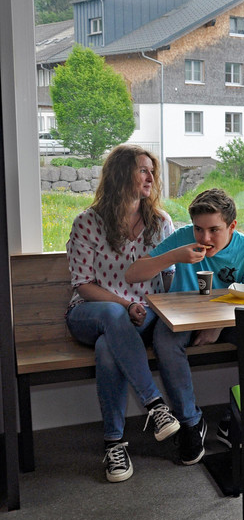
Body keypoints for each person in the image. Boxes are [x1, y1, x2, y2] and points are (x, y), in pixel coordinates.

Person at [126, 188, 244, 465]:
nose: (205, 238)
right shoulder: (182, 239)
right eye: (198, 229)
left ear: (232, 226)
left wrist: (218, 325)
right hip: (182, 316)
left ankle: (241, 416)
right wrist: (173, 257)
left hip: (229, 317)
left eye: (214, 230)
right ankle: (190, 422)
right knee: (164, 341)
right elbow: (133, 274)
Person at [65, 145, 178, 483]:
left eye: (152, 171)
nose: (150, 177)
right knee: (113, 318)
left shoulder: (160, 222)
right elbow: (83, 284)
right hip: (90, 313)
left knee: (107, 348)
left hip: (143, 315)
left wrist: (158, 309)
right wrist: (126, 304)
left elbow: (168, 278)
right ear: (120, 175)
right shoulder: (87, 222)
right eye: (143, 170)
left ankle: (113, 443)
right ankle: (155, 404)